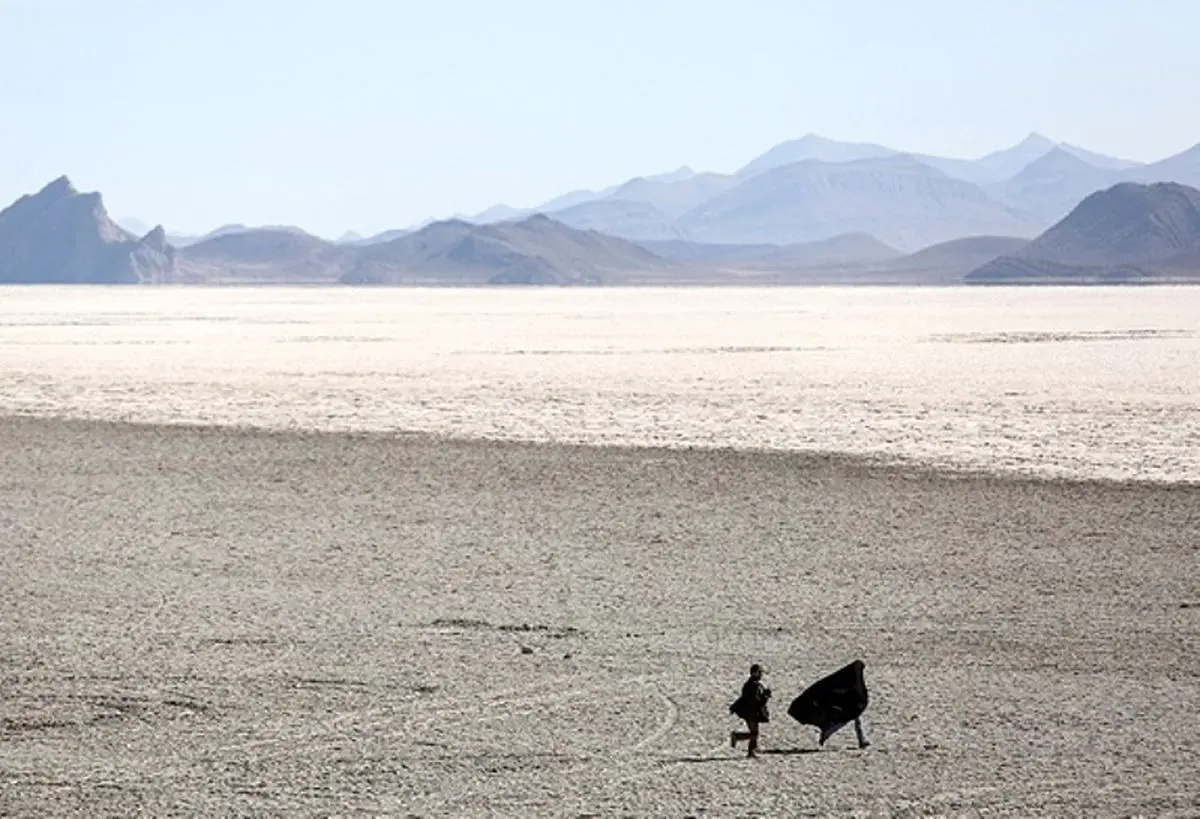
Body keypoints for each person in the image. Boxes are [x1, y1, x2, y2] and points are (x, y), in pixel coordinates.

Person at [729, 663, 772, 758]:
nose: (761, 675)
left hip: (750, 712)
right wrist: (765, 697)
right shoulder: (753, 686)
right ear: (754, 673)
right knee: (754, 734)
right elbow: (756, 702)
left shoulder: (753, 684)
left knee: (755, 732)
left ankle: (751, 752)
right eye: (759, 672)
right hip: (751, 713)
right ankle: (737, 736)